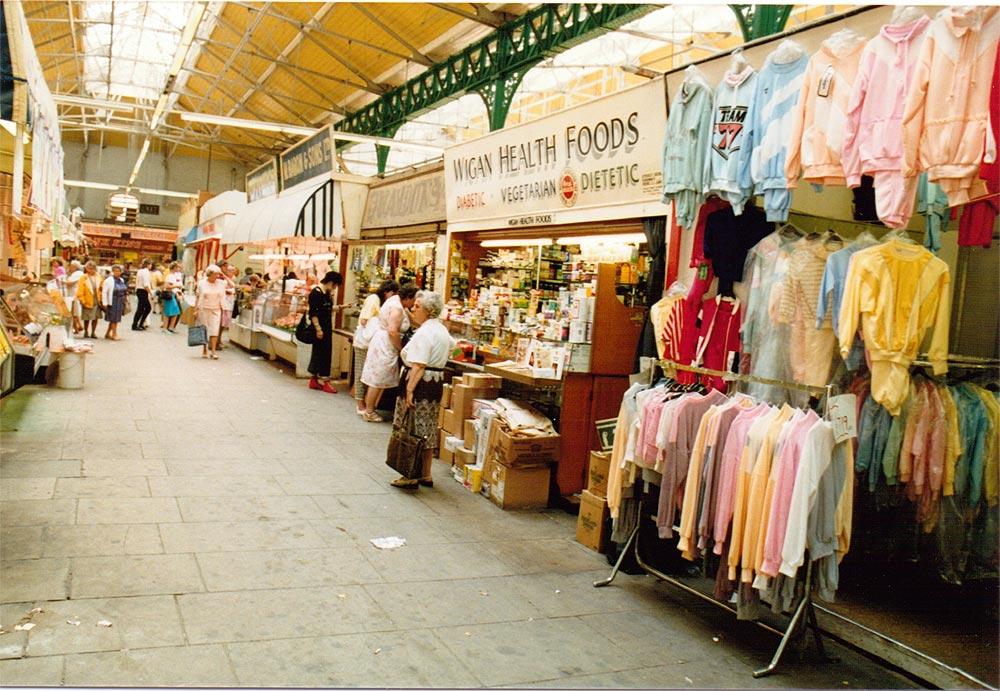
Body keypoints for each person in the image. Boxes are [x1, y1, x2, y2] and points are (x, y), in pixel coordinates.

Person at [389, 291, 454, 489]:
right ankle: (426, 474)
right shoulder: (441, 330)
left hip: (420, 383)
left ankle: (410, 474)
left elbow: (418, 365)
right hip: (435, 383)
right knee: (427, 429)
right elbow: (454, 348)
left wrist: (409, 390)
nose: (412, 309)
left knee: (411, 427)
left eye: (417, 306)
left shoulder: (425, 332)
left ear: (428, 310)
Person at [360, 283, 417, 423]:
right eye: (414, 301)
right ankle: (369, 411)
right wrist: (400, 348)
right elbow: (393, 330)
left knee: (379, 376)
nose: (414, 305)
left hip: (382, 341)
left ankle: (371, 408)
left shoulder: (395, 301)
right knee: (378, 378)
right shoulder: (397, 308)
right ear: (408, 298)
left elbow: (412, 320)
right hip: (386, 344)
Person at [353, 280, 394, 415]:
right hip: (364, 341)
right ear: (387, 292)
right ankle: (360, 404)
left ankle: (364, 402)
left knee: (367, 372)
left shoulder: (381, 301)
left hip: (370, 342)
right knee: (361, 372)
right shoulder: (374, 299)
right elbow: (364, 320)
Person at [306, 271, 344, 394]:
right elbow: (314, 313)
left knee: (319, 352)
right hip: (320, 329)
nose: (335, 288)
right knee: (324, 354)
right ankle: (325, 381)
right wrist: (318, 329)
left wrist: (341, 307)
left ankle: (314, 379)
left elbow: (325, 309)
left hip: (326, 328)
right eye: (335, 285)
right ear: (331, 282)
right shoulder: (316, 293)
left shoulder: (326, 293)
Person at [195, 264, 227, 359]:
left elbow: (232, 285)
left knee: (214, 330)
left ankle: (213, 351)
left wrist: (224, 275)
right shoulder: (201, 283)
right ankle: (204, 349)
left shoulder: (221, 283)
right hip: (203, 309)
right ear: (210, 274)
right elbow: (197, 296)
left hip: (216, 309)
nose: (217, 276)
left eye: (218, 274)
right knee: (204, 329)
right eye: (215, 274)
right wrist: (195, 310)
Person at [100, 264, 128, 340]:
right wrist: (104, 303)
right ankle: (114, 334)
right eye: (115, 271)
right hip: (112, 301)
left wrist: (125, 298)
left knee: (116, 319)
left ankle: (107, 333)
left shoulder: (121, 280)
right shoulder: (108, 280)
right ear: (112, 271)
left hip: (120, 301)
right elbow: (104, 292)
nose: (117, 272)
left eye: (119, 271)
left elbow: (124, 290)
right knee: (113, 319)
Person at [76, 261, 102, 338]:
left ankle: (93, 332)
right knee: (87, 317)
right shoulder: (83, 277)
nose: (91, 270)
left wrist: (101, 299)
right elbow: (80, 289)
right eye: (89, 268)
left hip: (96, 299)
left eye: (92, 269)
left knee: (96, 317)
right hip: (87, 299)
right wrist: (82, 300)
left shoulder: (99, 277)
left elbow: (101, 288)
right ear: (86, 269)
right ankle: (86, 331)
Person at [160, 262, 184, 333]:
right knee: (168, 312)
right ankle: (165, 328)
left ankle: (170, 327)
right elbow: (167, 286)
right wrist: (176, 286)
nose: (179, 268)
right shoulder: (170, 276)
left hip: (172, 294)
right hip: (169, 295)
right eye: (177, 267)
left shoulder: (173, 275)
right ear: (174, 268)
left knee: (175, 311)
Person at [132, 258, 153, 331]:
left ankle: (139, 324)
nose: (151, 266)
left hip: (139, 290)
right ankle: (135, 325)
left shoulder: (140, 271)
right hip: (143, 291)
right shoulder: (146, 272)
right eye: (150, 264)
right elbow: (146, 284)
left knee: (145, 308)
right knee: (143, 308)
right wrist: (151, 292)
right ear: (148, 264)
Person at [64, 260, 84, 334]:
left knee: (75, 311)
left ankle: (78, 326)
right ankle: (76, 327)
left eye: (71, 266)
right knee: (74, 312)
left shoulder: (77, 273)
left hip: (75, 294)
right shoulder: (74, 273)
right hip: (72, 294)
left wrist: (61, 281)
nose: (70, 267)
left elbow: (69, 283)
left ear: (75, 267)